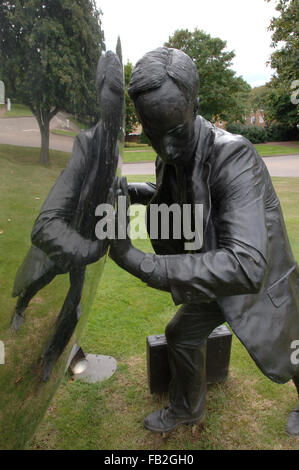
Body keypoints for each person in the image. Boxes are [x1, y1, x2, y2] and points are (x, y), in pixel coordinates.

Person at [109, 47, 299, 436]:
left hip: (258, 283)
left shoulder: (235, 157)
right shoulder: (170, 149)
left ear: (195, 104)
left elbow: (247, 265)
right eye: (153, 134)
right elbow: (176, 196)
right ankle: (186, 409)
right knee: (181, 334)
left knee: (292, 351)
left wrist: (140, 261)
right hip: (210, 271)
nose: (165, 149)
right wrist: (135, 191)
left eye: (174, 134)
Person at [12, 51, 124, 381]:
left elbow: (106, 186)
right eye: (111, 96)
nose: (115, 106)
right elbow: (46, 222)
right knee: (42, 278)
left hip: (88, 237)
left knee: (74, 306)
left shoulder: (113, 148)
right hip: (74, 236)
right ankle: (21, 306)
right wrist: (88, 247)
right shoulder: (86, 143)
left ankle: (50, 357)